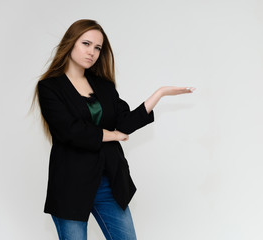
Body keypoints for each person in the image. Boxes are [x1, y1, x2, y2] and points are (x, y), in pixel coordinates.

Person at [33, 19, 195, 240]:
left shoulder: (104, 86)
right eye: (86, 44)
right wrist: (111, 135)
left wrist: (160, 94)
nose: (92, 52)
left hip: (108, 181)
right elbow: (70, 131)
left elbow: (125, 123)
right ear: (70, 43)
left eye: (97, 48)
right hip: (70, 184)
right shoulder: (49, 87)